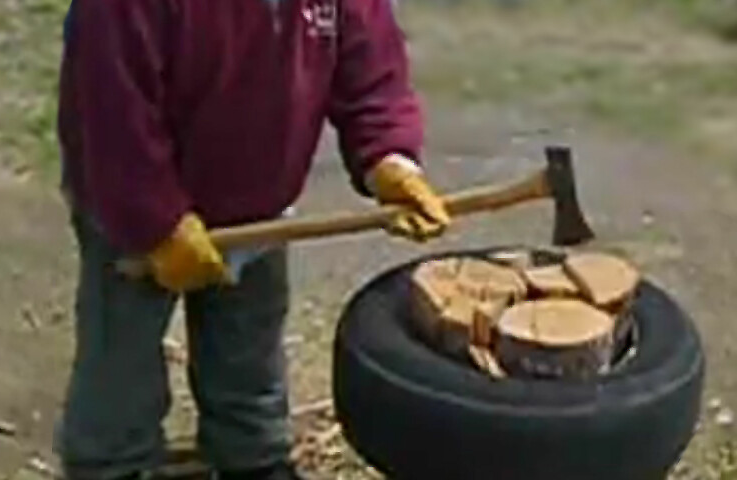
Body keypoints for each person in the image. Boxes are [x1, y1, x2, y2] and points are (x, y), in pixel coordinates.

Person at [54, 0, 451, 478]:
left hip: (258, 209)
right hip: (130, 206)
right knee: (119, 363)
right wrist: (156, 222)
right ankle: (110, 466)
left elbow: (371, 69)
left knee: (248, 356)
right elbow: (111, 109)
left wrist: (389, 158)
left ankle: (254, 461)